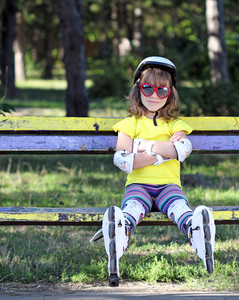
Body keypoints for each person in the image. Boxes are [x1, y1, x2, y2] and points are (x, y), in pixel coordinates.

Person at [91, 56, 216, 287]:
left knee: (179, 207)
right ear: (138, 89)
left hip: (169, 186)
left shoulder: (175, 124)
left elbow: (182, 149)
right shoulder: (130, 123)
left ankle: (195, 229)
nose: (154, 95)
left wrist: (145, 148)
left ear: (171, 93)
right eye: (148, 88)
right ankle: (120, 231)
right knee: (133, 207)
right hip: (139, 186)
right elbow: (122, 160)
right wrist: (163, 153)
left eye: (162, 90)